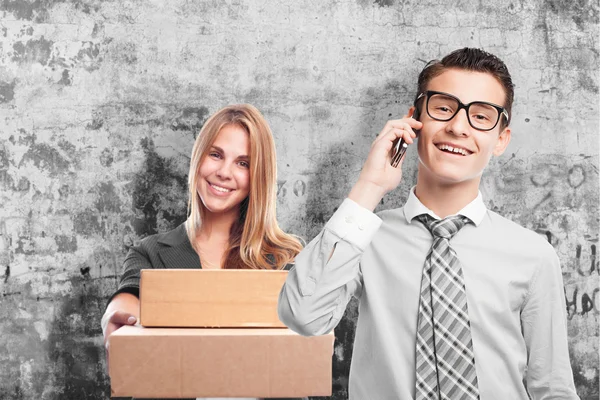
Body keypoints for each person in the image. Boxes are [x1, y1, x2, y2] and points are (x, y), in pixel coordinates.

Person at [278, 48, 580, 399]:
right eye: (443, 108)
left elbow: (553, 388)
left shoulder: (534, 255)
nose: (457, 127)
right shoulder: (365, 238)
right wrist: (369, 187)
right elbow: (303, 315)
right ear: (413, 120)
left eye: (481, 116)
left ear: (500, 139)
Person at [101, 104, 304, 400]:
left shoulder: (284, 258)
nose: (224, 172)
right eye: (216, 155)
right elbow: (129, 297)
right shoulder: (151, 251)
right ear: (199, 158)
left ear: (258, 177)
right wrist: (116, 318)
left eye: (243, 163)